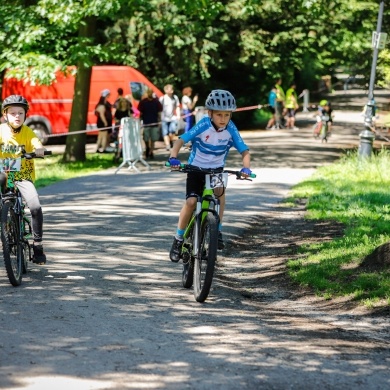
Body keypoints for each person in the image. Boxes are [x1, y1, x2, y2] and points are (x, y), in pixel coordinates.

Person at [168, 89, 252, 262]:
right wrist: (173, 158)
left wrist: (246, 168)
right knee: (191, 202)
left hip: (216, 170)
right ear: (210, 113)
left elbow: (244, 150)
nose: (223, 119)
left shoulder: (231, 128)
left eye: (227, 115)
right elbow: (180, 140)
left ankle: (217, 230)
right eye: (219, 115)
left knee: (220, 195)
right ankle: (178, 239)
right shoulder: (203, 124)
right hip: (196, 169)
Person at [0, 95, 48, 264]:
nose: (17, 116)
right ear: (5, 115)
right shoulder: (1, 131)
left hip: (23, 176)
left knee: (35, 207)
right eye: (13, 113)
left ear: (26, 115)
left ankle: (38, 246)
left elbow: (36, 143)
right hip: (4, 175)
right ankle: (5, 224)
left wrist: (39, 150)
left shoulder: (28, 132)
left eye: (20, 113)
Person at [138, 88, 163, 159]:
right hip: (146, 123)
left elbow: (159, 112)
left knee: (153, 138)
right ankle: (147, 148)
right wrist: (140, 121)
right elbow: (141, 113)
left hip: (154, 122)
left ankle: (151, 151)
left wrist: (159, 121)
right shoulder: (143, 102)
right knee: (146, 138)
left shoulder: (156, 102)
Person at [159, 84, 180, 151]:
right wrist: (159, 117)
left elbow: (177, 107)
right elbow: (159, 109)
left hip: (173, 118)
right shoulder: (162, 99)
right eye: (170, 89)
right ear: (166, 90)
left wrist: (178, 115)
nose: (172, 90)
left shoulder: (175, 97)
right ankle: (168, 145)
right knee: (165, 132)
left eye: (172, 89)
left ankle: (171, 141)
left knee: (172, 132)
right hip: (164, 118)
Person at [95, 89, 113, 153]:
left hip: (101, 122)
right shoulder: (102, 106)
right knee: (104, 136)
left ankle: (98, 148)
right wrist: (105, 122)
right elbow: (102, 115)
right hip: (103, 123)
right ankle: (103, 148)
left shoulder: (101, 105)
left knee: (100, 136)